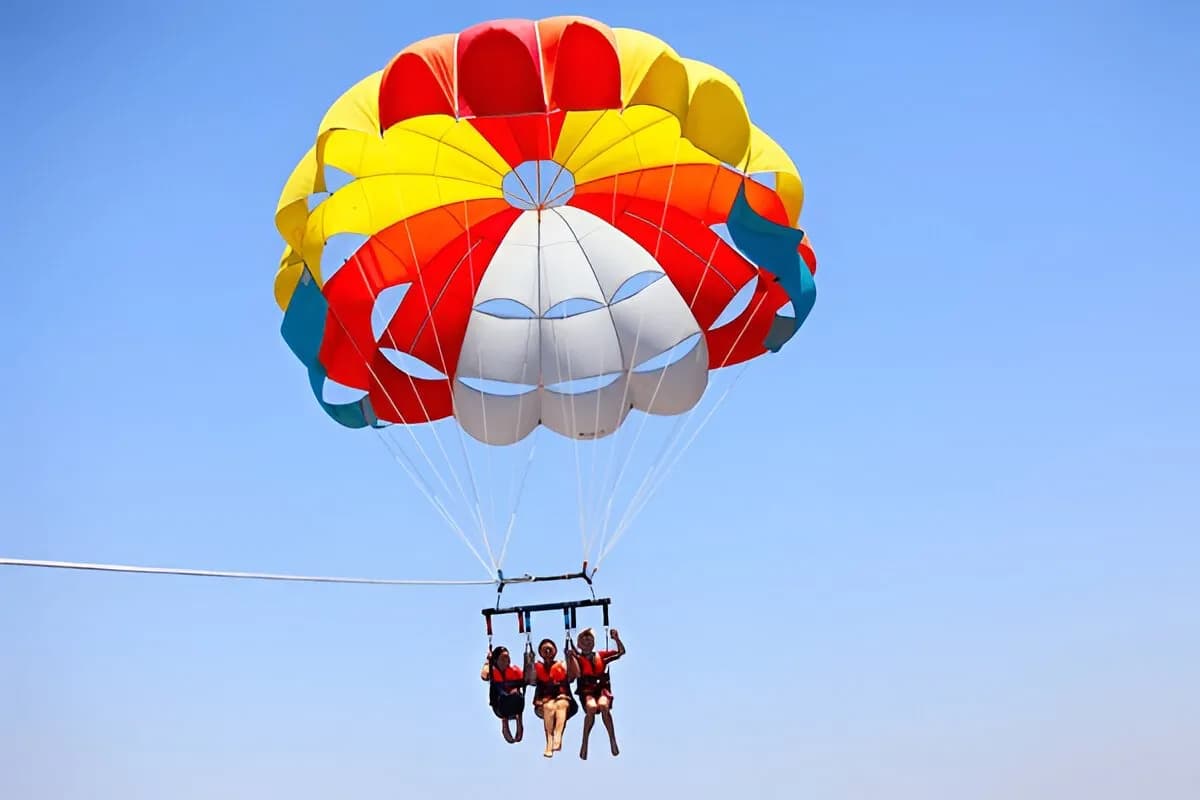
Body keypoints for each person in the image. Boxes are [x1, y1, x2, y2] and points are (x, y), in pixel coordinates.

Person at [568, 627, 625, 759]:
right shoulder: (577, 658)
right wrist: (569, 657)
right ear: (579, 644)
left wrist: (616, 639)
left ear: (593, 642)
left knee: (604, 706)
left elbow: (621, 652)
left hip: (602, 690)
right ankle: (585, 743)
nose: (587, 642)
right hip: (587, 691)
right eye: (583, 640)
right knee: (591, 707)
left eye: (590, 640)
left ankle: (612, 740)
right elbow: (571, 677)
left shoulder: (601, 656)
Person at [529, 638, 578, 757]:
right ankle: (549, 743)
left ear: (555, 651)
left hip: (564, 701)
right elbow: (531, 680)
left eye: (549, 649)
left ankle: (558, 736)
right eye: (544, 649)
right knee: (548, 707)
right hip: (544, 703)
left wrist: (570, 658)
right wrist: (529, 661)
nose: (547, 651)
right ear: (540, 652)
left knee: (561, 704)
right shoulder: (537, 667)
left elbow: (573, 676)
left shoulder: (563, 665)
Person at [481, 645, 533, 743]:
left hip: (516, 705)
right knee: (503, 696)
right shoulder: (492, 671)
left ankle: (519, 721)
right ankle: (505, 724)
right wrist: (488, 661)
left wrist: (529, 661)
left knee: (516, 693)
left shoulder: (515, 670)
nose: (506, 660)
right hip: (500, 707)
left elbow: (528, 680)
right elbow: (484, 676)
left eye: (507, 657)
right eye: (503, 658)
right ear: (496, 660)